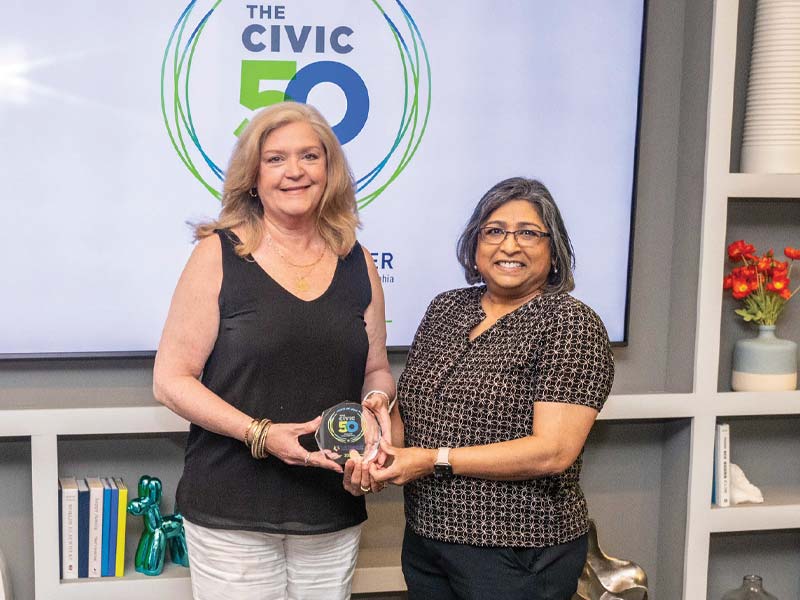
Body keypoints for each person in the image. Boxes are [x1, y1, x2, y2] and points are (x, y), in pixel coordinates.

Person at [152, 101, 395, 600]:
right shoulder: (218, 254)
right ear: (253, 176)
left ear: (329, 170)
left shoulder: (358, 261)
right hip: (232, 509)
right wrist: (261, 433)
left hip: (331, 506)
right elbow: (171, 381)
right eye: (276, 159)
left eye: (310, 156)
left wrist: (376, 405)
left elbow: (375, 369)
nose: (294, 171)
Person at [369, 177, 614, 600]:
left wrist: (433, 460)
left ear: (554, 249)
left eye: (528, 233)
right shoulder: (446, 308)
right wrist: (371, 451)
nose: (509, 245)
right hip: (427, 540)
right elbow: (411, 413)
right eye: (495, 231)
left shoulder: (570, 323)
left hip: (519, 551)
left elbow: (553, 451)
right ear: (475, 244)